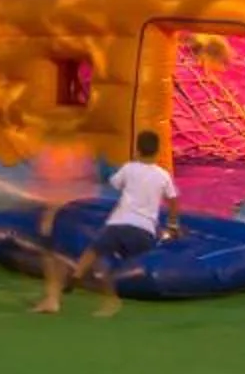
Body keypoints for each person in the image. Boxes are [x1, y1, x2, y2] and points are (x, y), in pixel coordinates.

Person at [36, 128, 181, 317]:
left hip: (118, 224)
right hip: (144, 230)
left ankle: (77, 275)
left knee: (94, 251)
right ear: (157, 152)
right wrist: (172, 224)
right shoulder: (163, 175)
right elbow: (173, 200)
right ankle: (121, 275)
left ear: (137, 151)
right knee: (138, 253)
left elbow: (114, 183)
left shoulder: (129, 168)